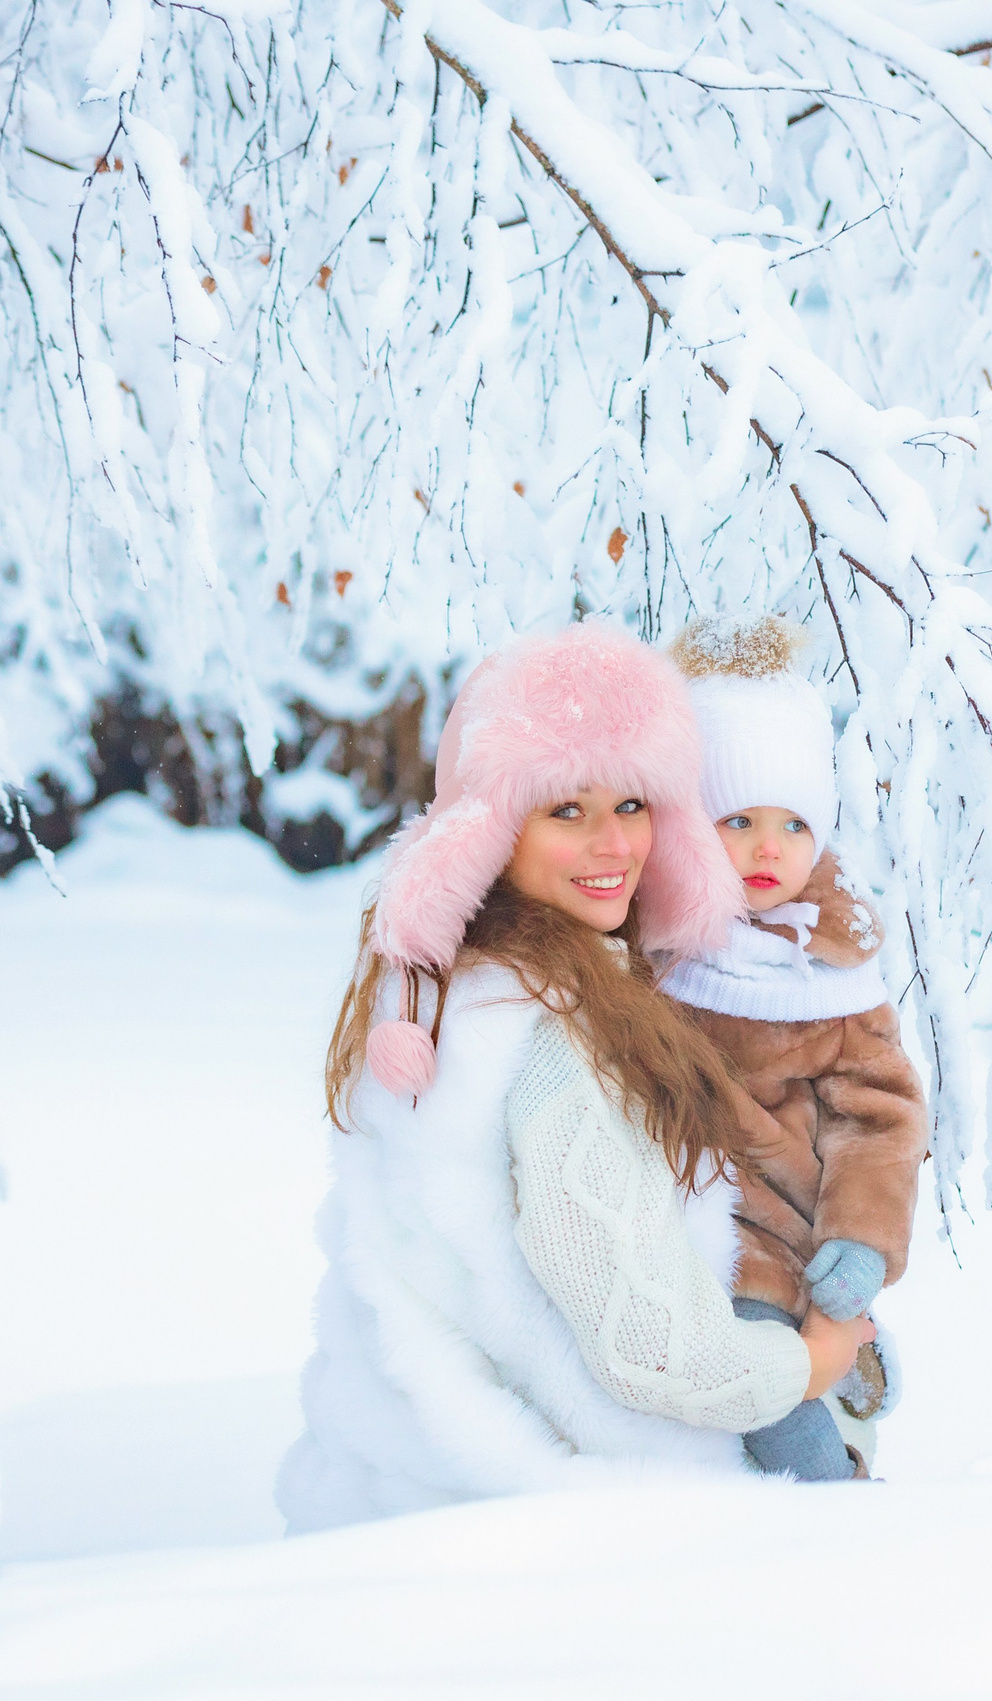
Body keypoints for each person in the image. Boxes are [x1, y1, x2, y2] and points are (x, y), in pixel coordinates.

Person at [276, 620, 874, 1531]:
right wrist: (809, 1365)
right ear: (490, 831)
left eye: (632, 804)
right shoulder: (552, 1034)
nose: (613, 845)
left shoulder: (434, 998)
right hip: (585, 1534)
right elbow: (655, 1345)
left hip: (425, 1501)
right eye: (566, 809)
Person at [658, 616, 928, 1481]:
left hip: (784, 1235)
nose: (770, 848)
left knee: (762, 1378)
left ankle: (832, 1498)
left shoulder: (831, 971)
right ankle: (843, 1367)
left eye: (793, 823)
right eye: (737, 820)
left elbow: (882, 1116)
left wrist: (862, 1238)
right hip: (685, 1221)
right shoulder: (662, 949)